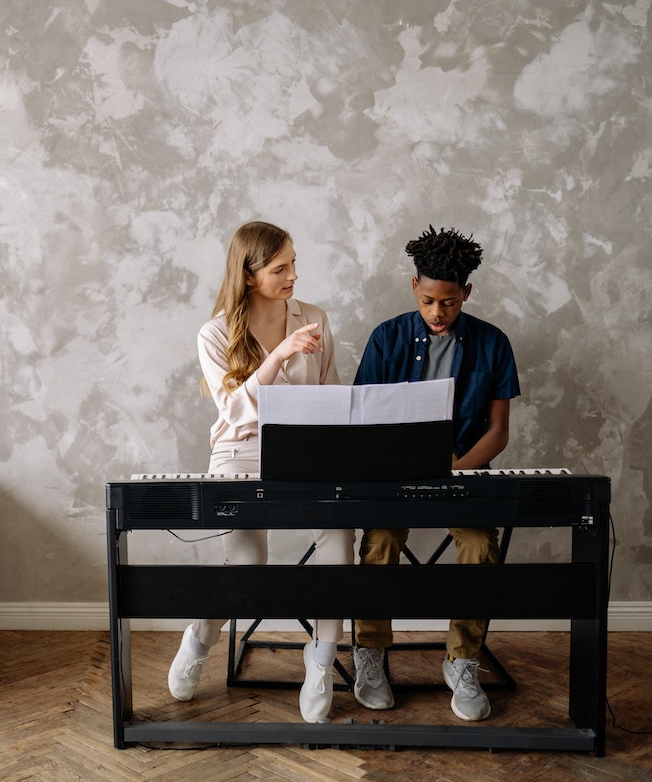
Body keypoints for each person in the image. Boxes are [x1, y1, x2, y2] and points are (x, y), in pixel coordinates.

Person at [167, 220, 355, 724]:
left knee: (340, 542)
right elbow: (232, 410)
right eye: (280, 267)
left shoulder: (314, 317)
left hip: (309, 452)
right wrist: (279, 354)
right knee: (248, 569)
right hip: (240, 450)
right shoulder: (215, 332)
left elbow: (332, 395)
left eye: (294, 261)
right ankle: (201, 635)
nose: (294, 274)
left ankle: (320, 658)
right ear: (249, 275)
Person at [350, 225, 521, 722]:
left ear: (466, 292)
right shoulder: (388, 337)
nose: (438, 313)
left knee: (480, 545)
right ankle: (371, 654)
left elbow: (498, 431)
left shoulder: (493, 343)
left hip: (465, 474)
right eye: (428, 301)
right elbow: (363, 416)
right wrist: (400, 464)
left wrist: (455, 469)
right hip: (393, 475)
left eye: (449, 302)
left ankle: (462, 660)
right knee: (379, 542)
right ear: (414, 288)